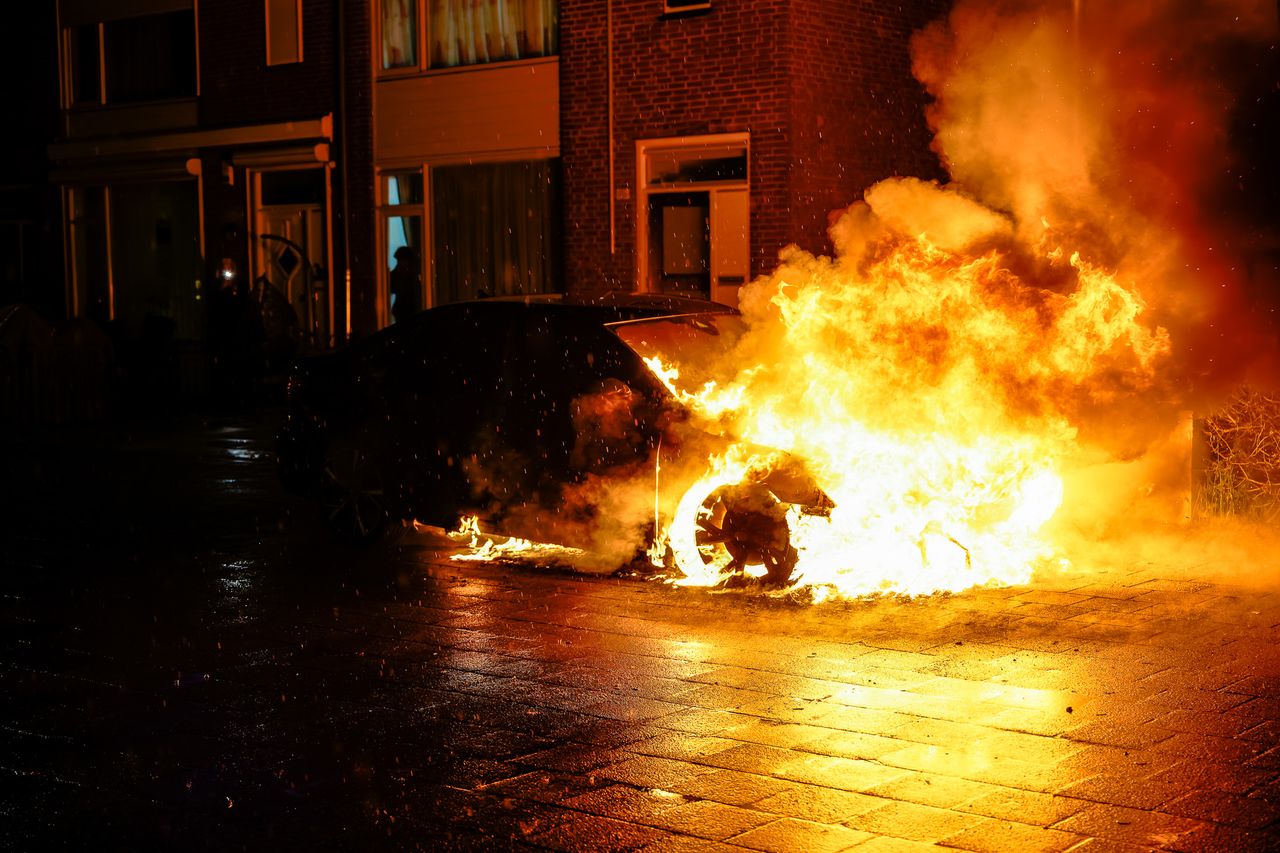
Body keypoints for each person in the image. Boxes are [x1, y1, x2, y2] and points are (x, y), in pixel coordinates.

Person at [389, 245, 422, 323]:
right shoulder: (399, 274)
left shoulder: (411, 275)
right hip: (404, 311)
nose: (399, 264)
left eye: (400, 260)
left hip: (409, 311)